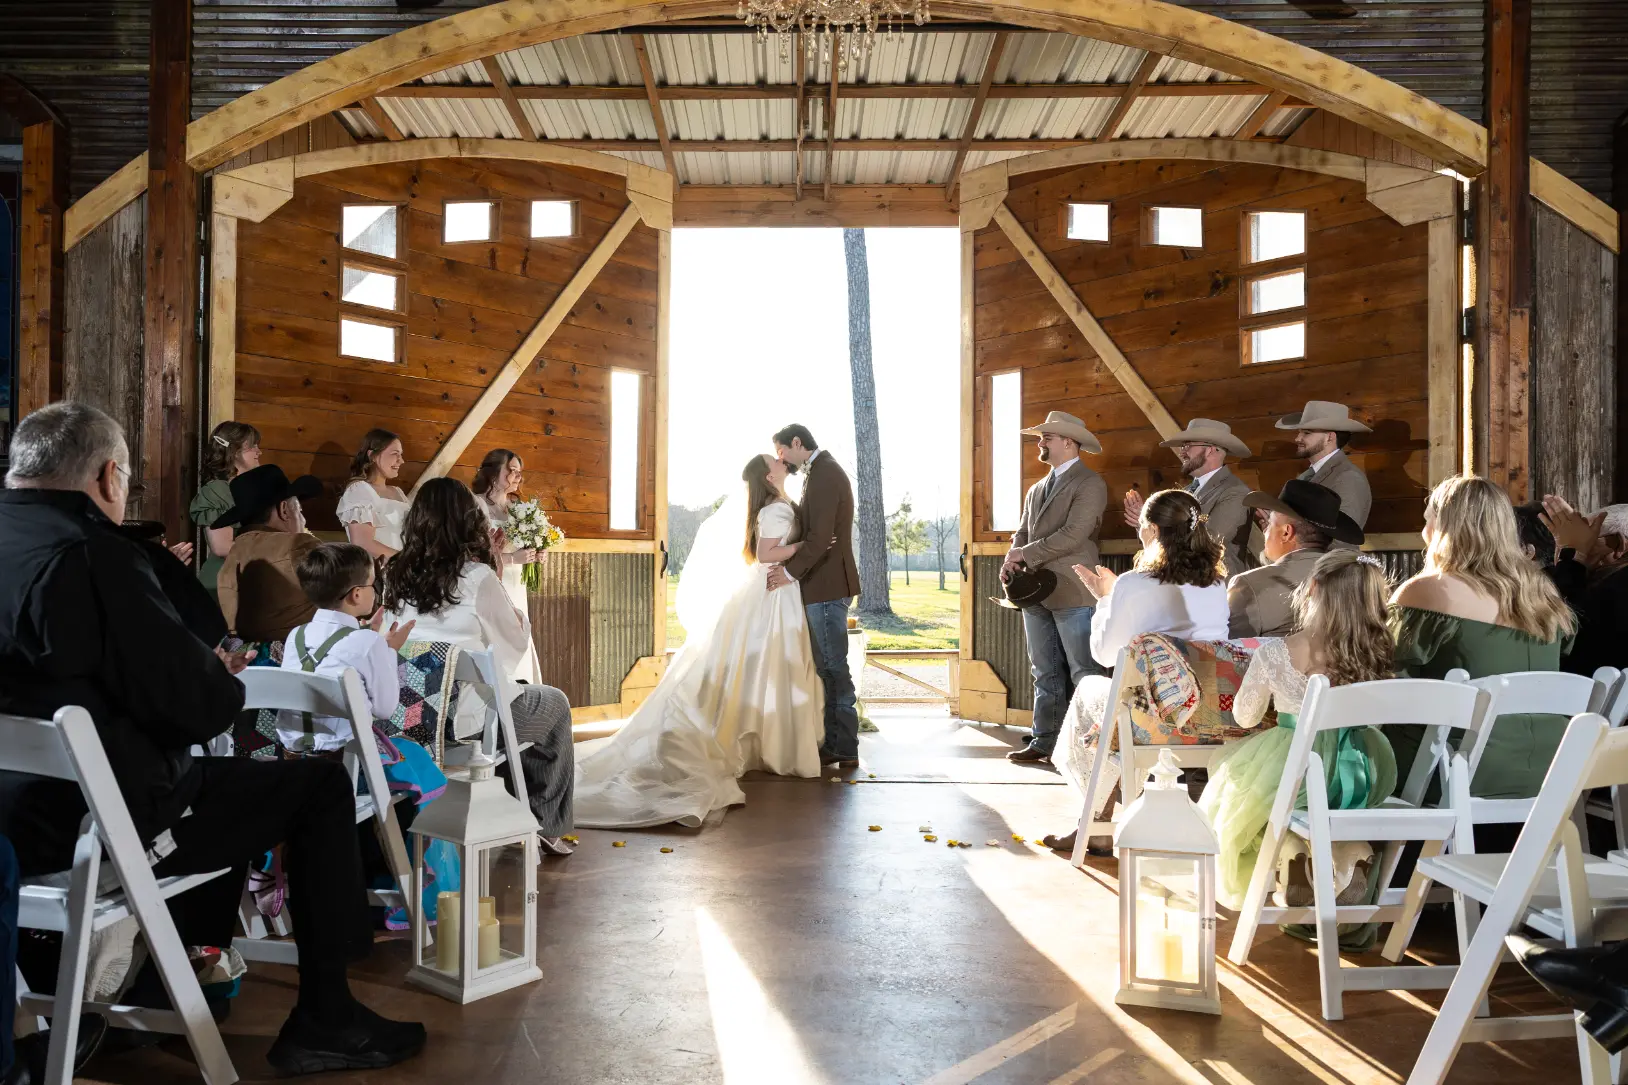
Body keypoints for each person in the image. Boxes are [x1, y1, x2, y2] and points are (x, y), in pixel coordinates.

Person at [0, 403, 424, 1074]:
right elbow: (201, 707)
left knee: (217, 783)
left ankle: (161, 977)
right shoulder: (98, 558)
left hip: (11, 821)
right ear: (110, 476)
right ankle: (325, 1015)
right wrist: (210, 679)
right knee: (310, 785)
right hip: (96, 823)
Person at [574, 452, 825, 828]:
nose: (780, 461)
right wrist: (803, 549)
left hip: (780, 589)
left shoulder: (777, 502)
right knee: (770, 662)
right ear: (768, 477)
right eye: (773, 461)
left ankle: (764, 740)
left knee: (769, 665)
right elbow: (765, 553)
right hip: (773, 590)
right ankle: (764, 744)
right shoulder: (774, 509)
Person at [380, 478, 576, 853]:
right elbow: (513, 644)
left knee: (520, 698)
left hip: (407, 716)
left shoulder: (394, 573)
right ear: (467, 523)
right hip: (466, 723)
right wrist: (496, 575)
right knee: (553, 704)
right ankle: (544, 823)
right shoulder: (476, 577)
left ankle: (508, 809)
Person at [1199, 551, 1399, 909]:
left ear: (1313, 589)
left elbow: (1245, 716)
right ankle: (1352, 851)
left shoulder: (1279, 651)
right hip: (1366, 767)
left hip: (1296, 764)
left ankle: (1290, 854)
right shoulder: (1379, 653)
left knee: (1240, 790)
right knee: (1314, 806)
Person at [1043, 488, 1231, 852]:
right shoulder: (1217, 583)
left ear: (1153, 531)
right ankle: (1096, 823)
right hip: (1205, 719)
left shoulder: (1134, 583)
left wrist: (1105, 598)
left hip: (1150, 724)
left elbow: (1105, 653)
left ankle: (1094, 823)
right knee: (1120, 703)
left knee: (1091, 691)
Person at [1387, 476, 1576, 799]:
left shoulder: (1430, 590)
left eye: (1427, 521)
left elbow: (1380, 672)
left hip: (1453, 772)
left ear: (1443, 527)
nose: (1424, 532)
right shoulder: (1544, 596)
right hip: (1549, 774)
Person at [1000, 411, 1108, 765]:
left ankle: (1091, 747)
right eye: (1040, 437)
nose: (1040, 442)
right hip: (1034, 591)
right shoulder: (1036, 488)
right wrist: (1010, 559)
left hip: (1074, 588)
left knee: (1083, 672)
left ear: (1068, 442)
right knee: (1043, 670)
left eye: (1047, 437)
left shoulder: (1090, 483)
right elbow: (1022, 531)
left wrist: (1024, 553)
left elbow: (1073, 534)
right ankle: (1045, 740)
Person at [765, 424, 862, 768]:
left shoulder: (825, 473)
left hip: (826, 584)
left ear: (796, 442)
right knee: (826, 667)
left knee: (834, 667)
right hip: (822, 583)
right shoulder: (817, 472)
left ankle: (845, 745)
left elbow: (821, 539)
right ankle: (836, 743)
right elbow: (813, 531)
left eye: (781, 452)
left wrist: (789, 573)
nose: (782, 459)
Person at [278, 543, 417, 754]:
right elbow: (385, 709)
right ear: (357, 594)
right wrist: (389, 650)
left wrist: (369, 638)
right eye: (374, 584)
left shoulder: (295, 635)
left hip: (294, 759)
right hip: (349, 760)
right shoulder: (369, 642)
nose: (377, 591)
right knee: (414, 753)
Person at [1227, 479, 1360, 638]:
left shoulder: (1248, 585)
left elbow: (1233, 654)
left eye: (1269, 524)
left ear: (1286, 533)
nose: (1265, 531)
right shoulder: (1355, 579)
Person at [1126, 418, 1256, 578]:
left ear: (1211, 450)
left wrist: (1157, 525)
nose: (1182, 452)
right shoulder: (1186, 492)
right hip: (1181, 583)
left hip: (1217, 588)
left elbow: (1209, 542)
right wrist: (1145, 524)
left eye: (1188, 445)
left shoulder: (1235, 492)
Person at [214, 464, 324, 647]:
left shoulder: (233, 555)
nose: (303, 520)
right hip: (302, 659)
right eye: (300, 511)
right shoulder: (299, 546)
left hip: (248, 666)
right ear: (284, 510)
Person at [472, 448, 544, 684]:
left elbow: (527, 542)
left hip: (516, 582)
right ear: (493, 472)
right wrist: (514, 559)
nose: (517, 476)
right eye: (511, 470)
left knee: (517, 626)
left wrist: (537, 552)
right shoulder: (477, 505)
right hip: (492, 578)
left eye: (519, 472)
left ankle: (523, 685)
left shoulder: (517, 508)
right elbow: (477, 554)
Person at [1538, 497, 1628, 677]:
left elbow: (1562, 633)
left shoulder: (1615, 589)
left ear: (1619, 544)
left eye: (1588, 538)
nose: (1582, 546)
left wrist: (1571, 557)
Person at [1276, 400, 1372, 547]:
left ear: (1330, 438)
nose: (1297, 438)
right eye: (1299, 432)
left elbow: (1341, 540)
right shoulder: (1306, 477)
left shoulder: (1349, 478)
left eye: (1307, 433)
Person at [189, 421, 261, 601]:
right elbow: (221, 547)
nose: (259, 452)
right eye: (253, 446)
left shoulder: (251, 491)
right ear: (235, 452)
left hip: (250, 583)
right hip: (222, 584)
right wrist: (273, 552)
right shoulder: (218, 491)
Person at [338, 429, 410, 562]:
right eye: (395, 454)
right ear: (373, 456)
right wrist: (406, 562)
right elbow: (363, 544)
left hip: (403, 573)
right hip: (380, 571)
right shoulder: (360, 490)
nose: (401, 461)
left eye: (401, 454)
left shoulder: (398, 492)